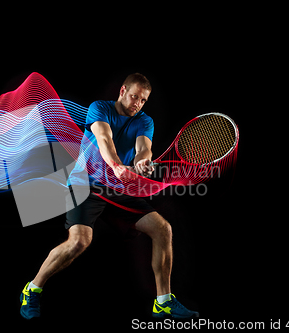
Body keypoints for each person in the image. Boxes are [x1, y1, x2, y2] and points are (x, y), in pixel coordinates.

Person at [20, 73, 198, 319]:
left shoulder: (145, 121)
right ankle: (32, 289)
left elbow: (143, 148)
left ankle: (163, 301)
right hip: (85, 185)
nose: (137, 103)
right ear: (123, 91)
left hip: (117, 189)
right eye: (134, 96)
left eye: (143, 100)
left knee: (162, 229)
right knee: (79, 242)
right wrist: (116, 165)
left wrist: (142, 162)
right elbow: (104, 139)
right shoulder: (99, 109)